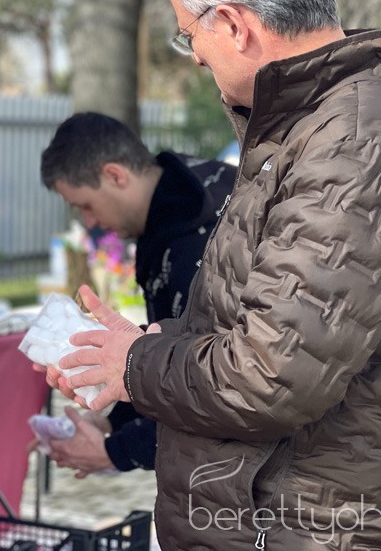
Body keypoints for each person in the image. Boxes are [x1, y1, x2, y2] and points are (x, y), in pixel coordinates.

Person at [55, 0, 381, 550]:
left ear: (233, 24)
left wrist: (136, 363)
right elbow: (271, 321)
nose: (194, 55)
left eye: (189, 34)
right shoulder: (306, 128)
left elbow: (270, 378)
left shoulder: (364, 141)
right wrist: (158, 338)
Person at [36, 112, 234, 477]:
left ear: (115, 175)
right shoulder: (176, 205)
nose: (88, 222)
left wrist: (116, 451)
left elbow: (215, 379)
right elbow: (161, 351)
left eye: (85, 206)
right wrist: (112, 420)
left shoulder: (204, 236)